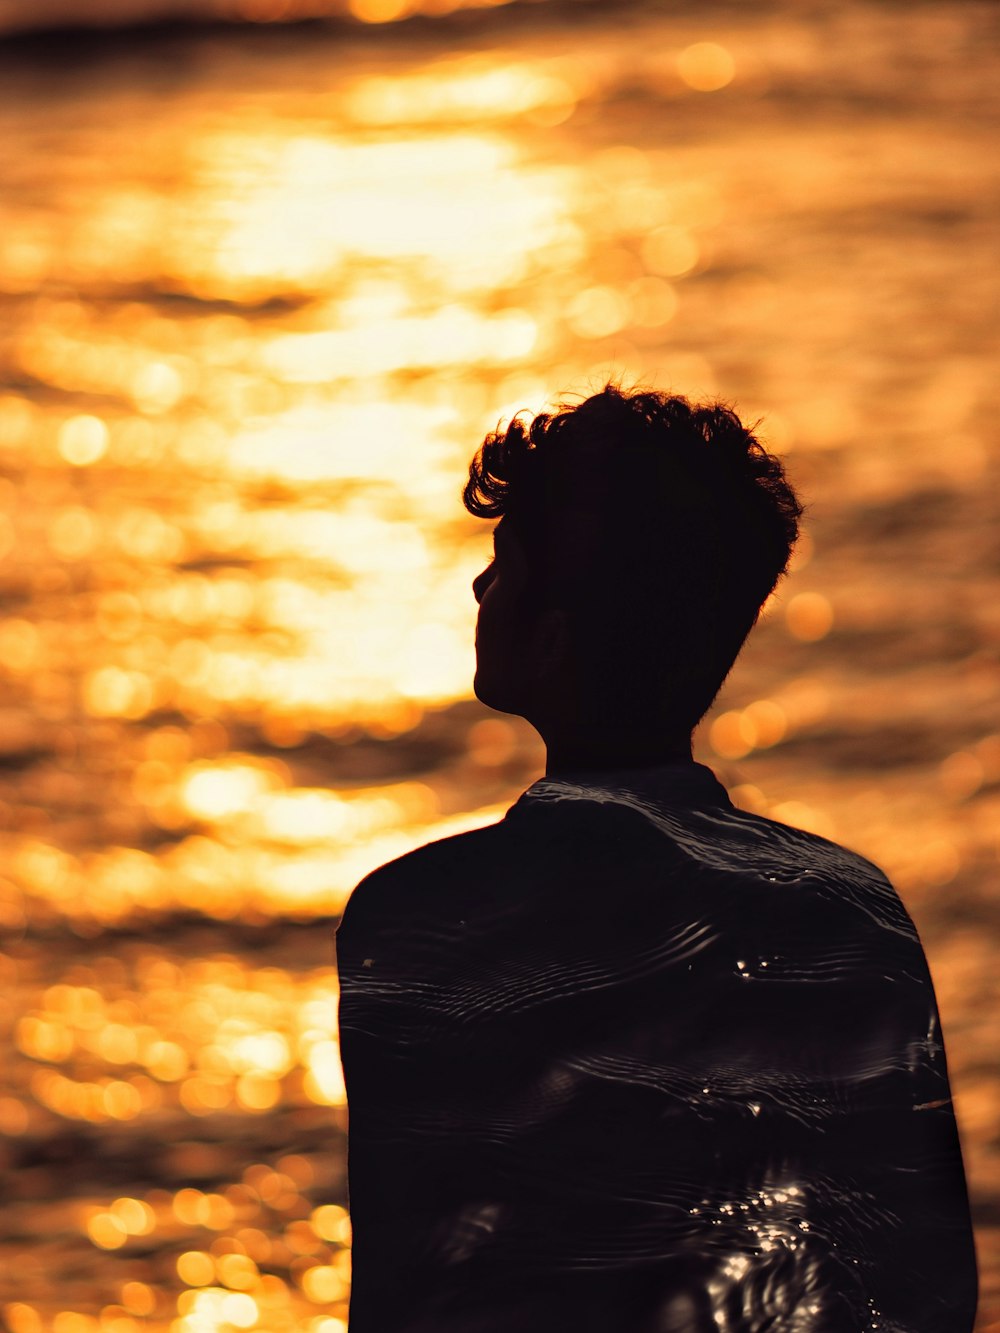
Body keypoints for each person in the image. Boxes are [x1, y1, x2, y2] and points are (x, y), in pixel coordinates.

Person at [335, 384, 977, 1332]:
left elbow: (407, 1286)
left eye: (505, 565)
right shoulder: (848, 912)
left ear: (550, 636)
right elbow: (921, 1281)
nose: (481, 587)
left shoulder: (417, 918)